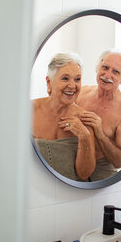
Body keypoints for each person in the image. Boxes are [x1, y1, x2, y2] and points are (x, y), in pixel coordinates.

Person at [32, 53, 96, 181]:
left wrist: (85, 136)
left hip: (67, 193)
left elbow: (84, 174)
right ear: (49, 82)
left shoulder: (85, 119)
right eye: (65, 78)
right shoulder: (29, 110)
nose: (72, 86)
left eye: (77, 79)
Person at [76, 49, 121, 181]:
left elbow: (120, 161)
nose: (107, 75)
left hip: (102, 169)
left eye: (115, 72)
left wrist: (99, 132)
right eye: (105, 67)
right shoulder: (81, 93)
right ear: (97, 68)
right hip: (74, 160)